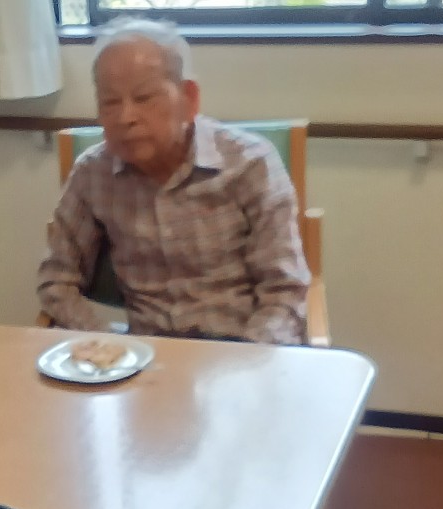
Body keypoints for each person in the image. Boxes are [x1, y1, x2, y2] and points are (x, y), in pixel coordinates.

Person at [37, 16, 310, 345]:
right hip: (147, 356)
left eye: (143, 98)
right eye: (110, 102)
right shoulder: (92, 174)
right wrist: (106, 346)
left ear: (189, 99)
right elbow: (56, 281)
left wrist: (249, 361)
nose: (126, 117)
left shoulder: (251, 164)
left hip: (240, 350)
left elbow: (284, 292)